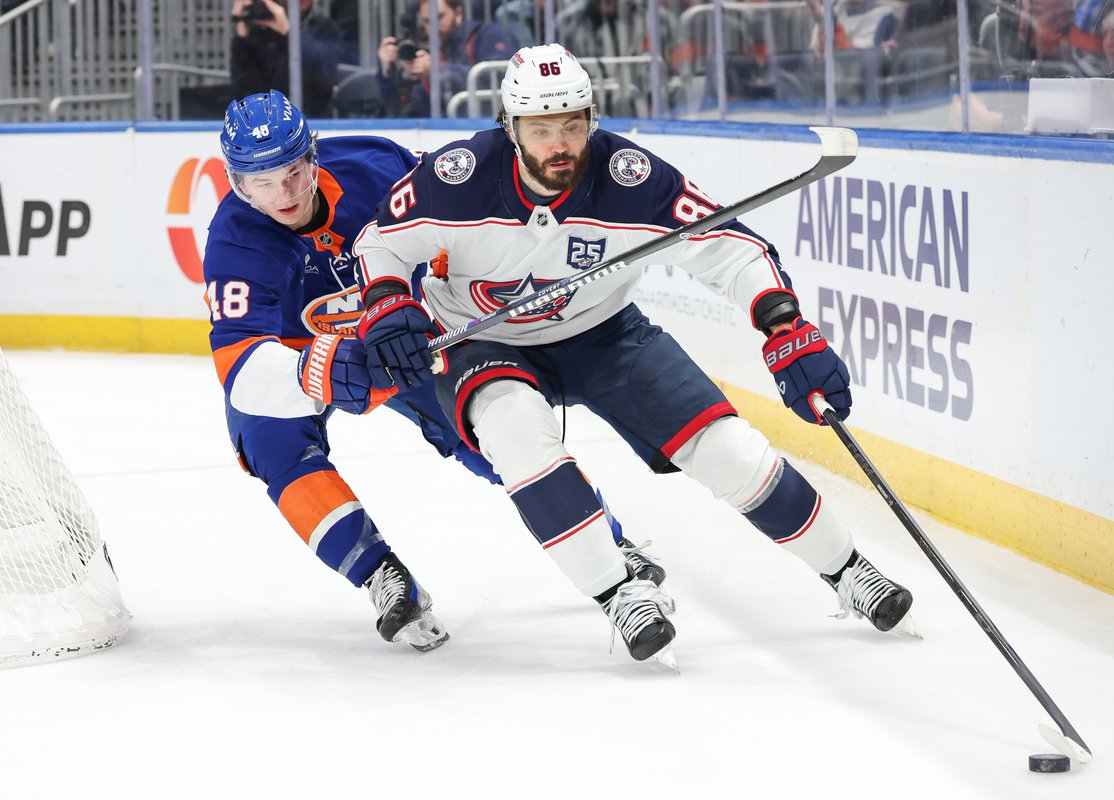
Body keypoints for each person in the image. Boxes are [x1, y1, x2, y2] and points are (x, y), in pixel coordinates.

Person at [352, 44, 915, 665]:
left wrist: (784, 325)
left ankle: (848, 569)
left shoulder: (632, 178)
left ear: (593, 118)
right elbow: (380, 244)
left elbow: (731, 247)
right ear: (509, 128)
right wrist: (387, 303)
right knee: (515, 433)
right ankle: (620, 593)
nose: (561, 145)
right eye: (541, 130)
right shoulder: (456, 178)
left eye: (573, 125)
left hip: (605, 333)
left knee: (726, 449)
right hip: (484, 339)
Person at [204, 89, 656, 651]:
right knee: (268, 444)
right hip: (306, 355)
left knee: (490, 428)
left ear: (313, 154)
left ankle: (609, 542)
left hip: (404, 333)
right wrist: (312, 371)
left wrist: (462, 266)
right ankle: (380, 574)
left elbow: (458, 211)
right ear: (237, 183)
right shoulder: (234, 242)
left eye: (294, 172)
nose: (286, 194)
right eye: (262, 183)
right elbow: (241, 367)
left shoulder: (373, 163)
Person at [376, 0, 518, 117]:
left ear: (458, 13)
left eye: (439, 17)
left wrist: (438, 69)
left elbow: (499, 78)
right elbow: (404, 111)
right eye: (427, 21)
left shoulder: (487, 34)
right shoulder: (429, 50)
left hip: (489, 124)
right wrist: (387, 71)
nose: (433, 26)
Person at [229, 0, 342, 118]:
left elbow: (325, 69)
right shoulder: (263, 30)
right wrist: (241, 28)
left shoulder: (325, 27)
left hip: (312, 117)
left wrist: (288, 31)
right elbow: (243, 86)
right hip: (265, 117)